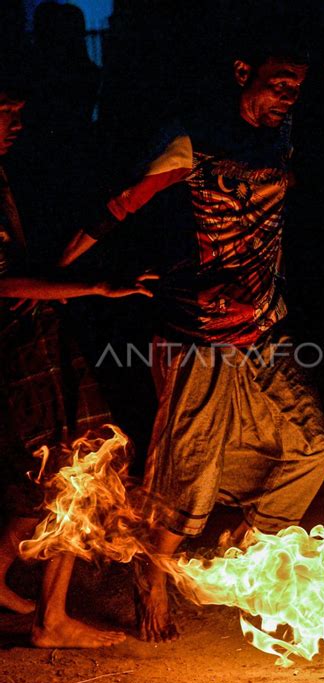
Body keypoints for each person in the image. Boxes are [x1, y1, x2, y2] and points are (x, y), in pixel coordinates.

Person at [58, 40, 324, 643]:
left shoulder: (282, 135)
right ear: (243, 72)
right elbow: (119, 207)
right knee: (191, 466)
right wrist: (56, 276)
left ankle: (249, 550)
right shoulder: (191, 138)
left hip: (266, 328)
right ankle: (153, 575)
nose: (289, 97)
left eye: (297, 88)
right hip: (198, 335)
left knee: (313, 447)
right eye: (279, 83)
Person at [0, 81, 155, 647]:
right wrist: (93, 285)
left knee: (32, 480)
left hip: (29, 339)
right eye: (3, 112)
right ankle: (51, 620)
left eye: (19, 109)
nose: (16, 122)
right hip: (18, 346)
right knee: (79, 467)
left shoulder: (7, 173)